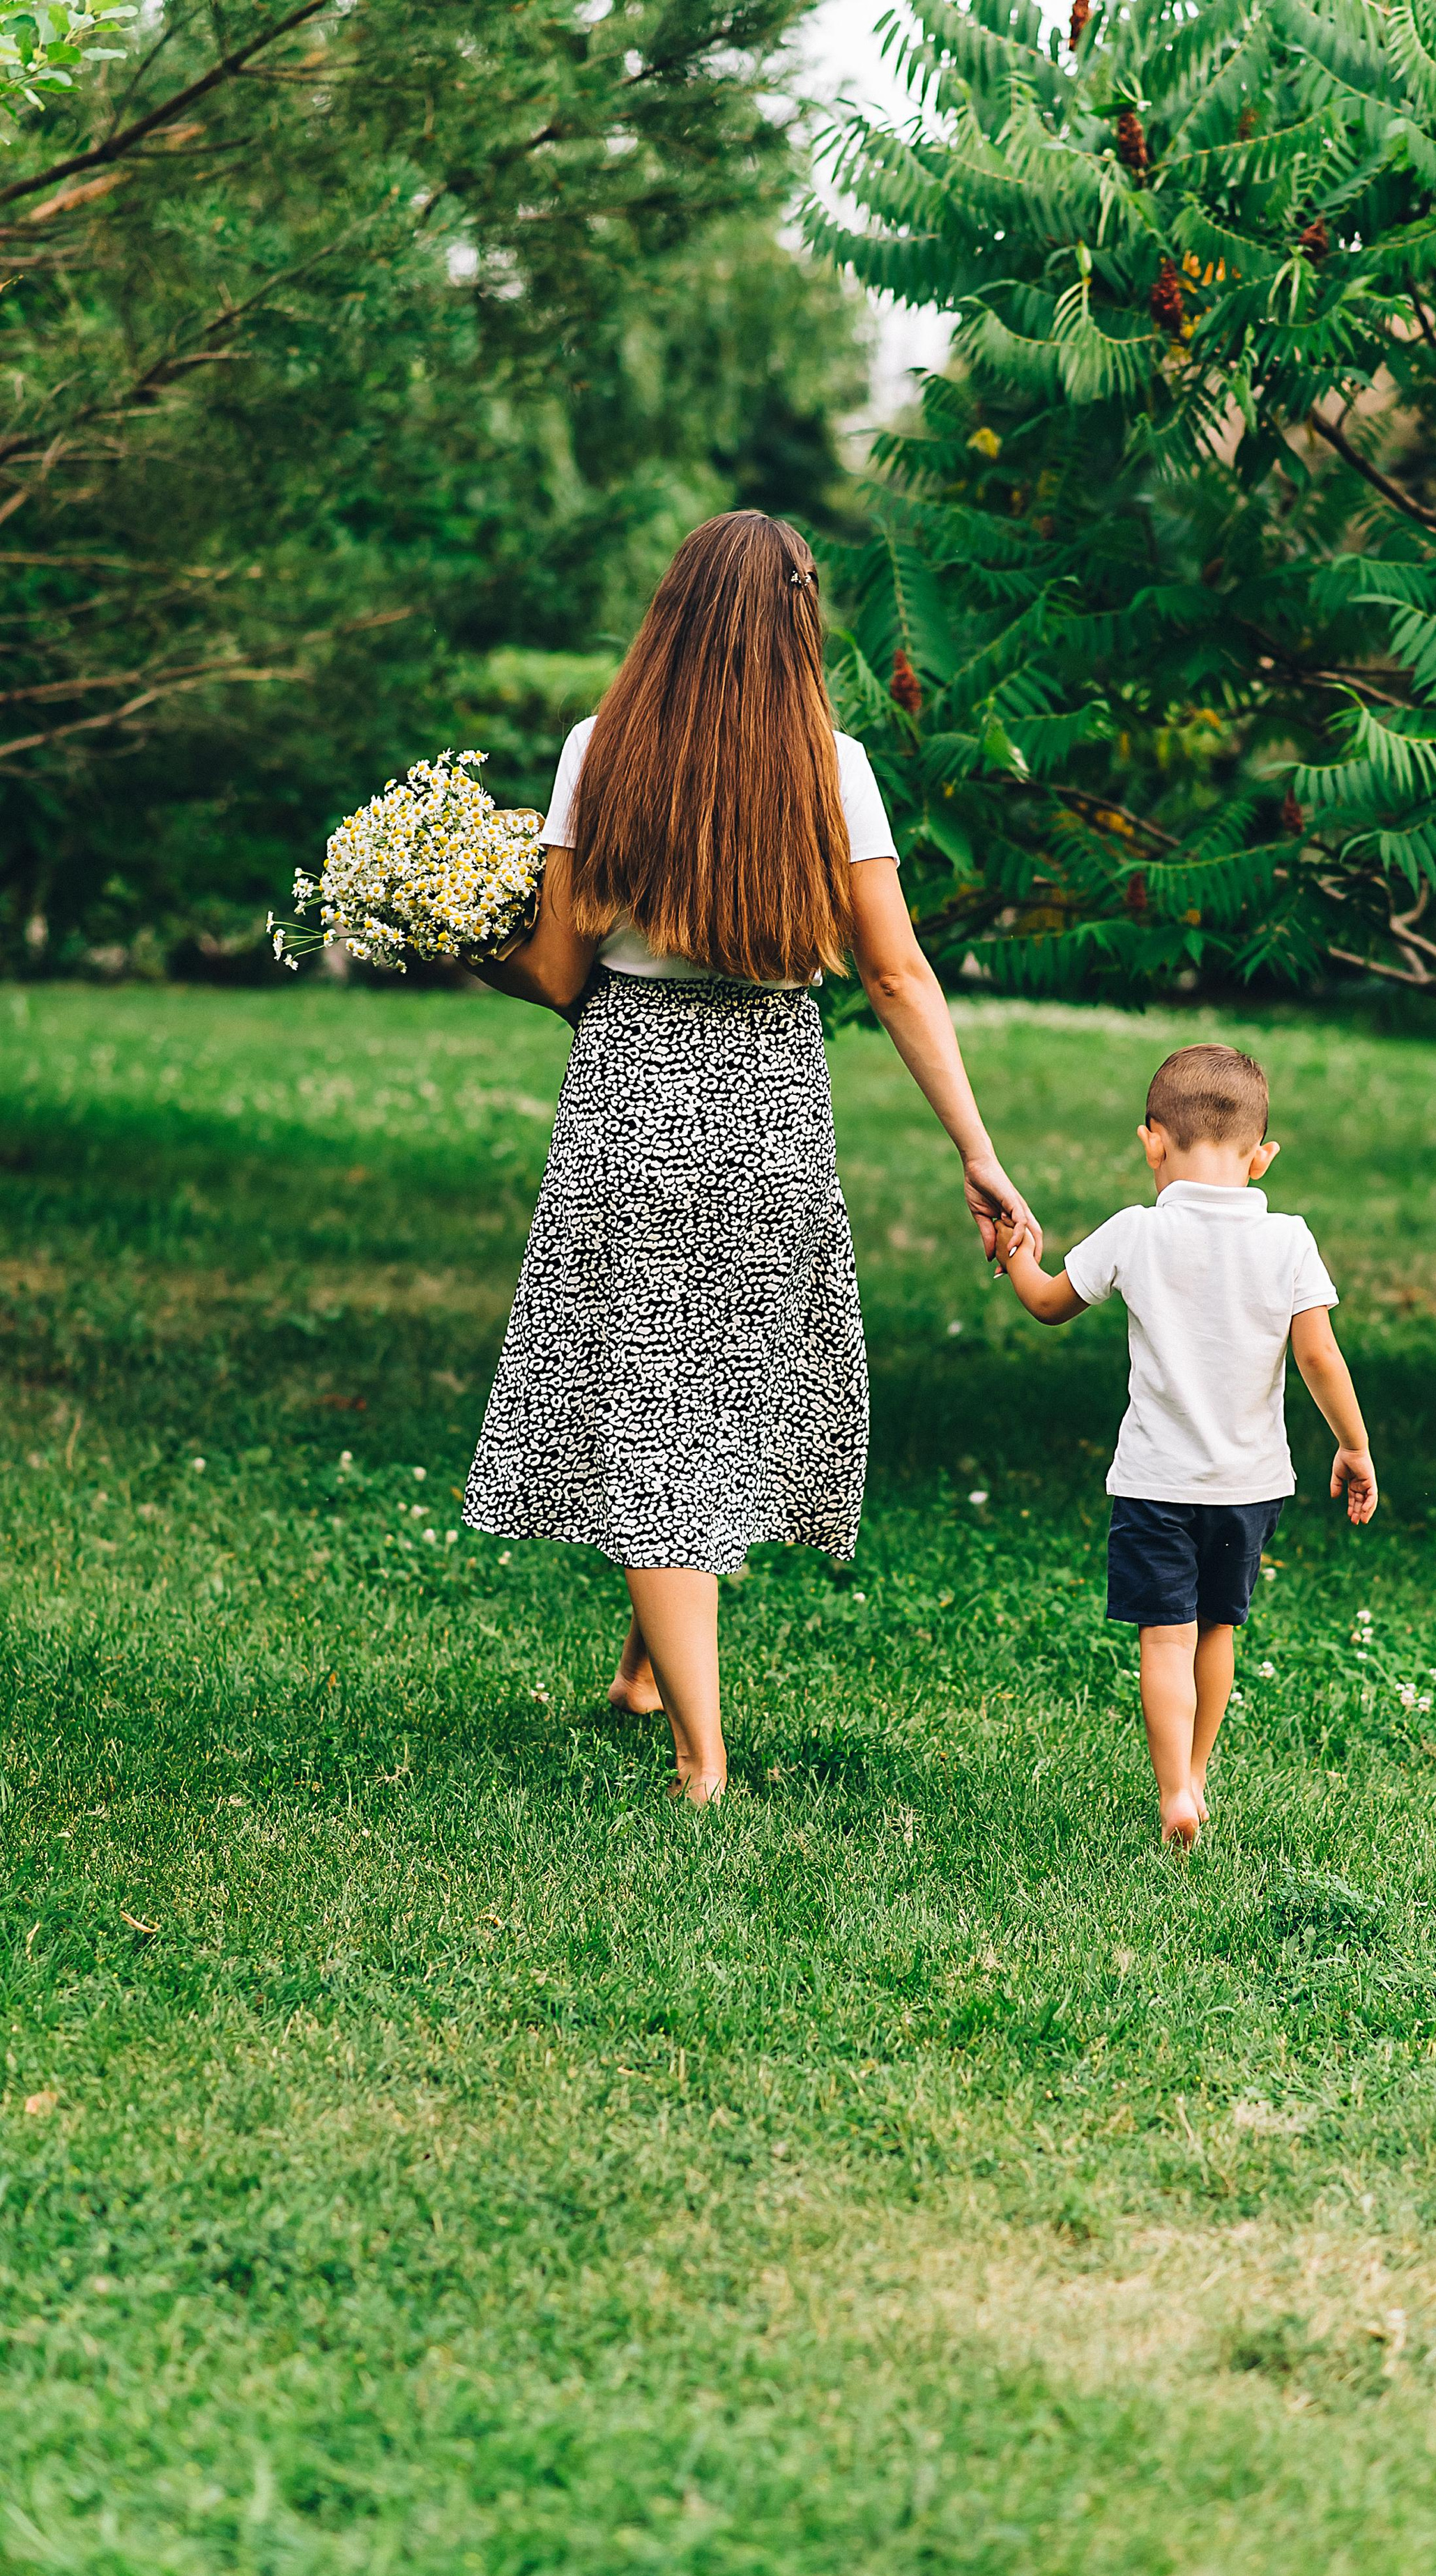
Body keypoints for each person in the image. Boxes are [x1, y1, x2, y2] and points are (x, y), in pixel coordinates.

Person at [461, 509, 1037, 1806]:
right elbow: (896, 973)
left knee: (652, 1397)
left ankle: (700, 1757)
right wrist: (979, 1151)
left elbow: (556, 970)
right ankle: (646, 1678)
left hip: (631, 1095)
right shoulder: (834, 765)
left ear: (671, 608)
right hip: (774, 1103)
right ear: (798, 616)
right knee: (706, 1392)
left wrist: (456, 940)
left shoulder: (600, 749)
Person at [993, 1041, 1376, 1847]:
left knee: (1164, 1638)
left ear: (1152, 1142)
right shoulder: (1289, 1240)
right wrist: (1353, 1444)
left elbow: (1049, 1303)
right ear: (1262, 1157)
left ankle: (1171, 1789)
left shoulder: (1135, 1231)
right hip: (1248, 1486)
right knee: (1216, 1630)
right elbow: (1318, 1357)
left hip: (1154, 1483)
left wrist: (1016, 1252)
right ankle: (1195, 1776)